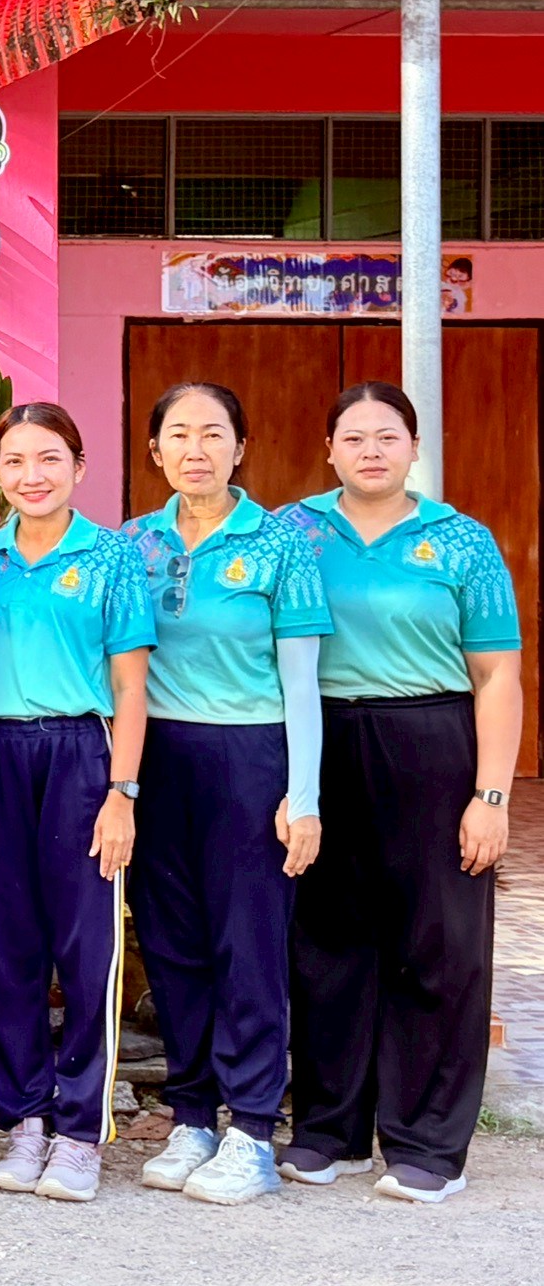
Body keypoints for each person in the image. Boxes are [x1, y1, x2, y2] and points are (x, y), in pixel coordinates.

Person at [279, 382, 520, 1205]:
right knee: (325, 942)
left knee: (438, 945)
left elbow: (497, 676)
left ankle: (427, 1143)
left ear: (415, 448)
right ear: (329, 451)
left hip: (432, 746)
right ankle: (330, 1129)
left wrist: (491, 796)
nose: (371, 451)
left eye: (388, 436)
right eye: (353, 438)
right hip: (322, 741)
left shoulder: (462, 542)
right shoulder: (293, 532)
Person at [122, 381, 328, 1206]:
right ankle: (192, 1117)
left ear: (241, 448)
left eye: (214, 434)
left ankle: (251, 1130)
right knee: (171, 943)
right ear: (155, 451)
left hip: (250, 757)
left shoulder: (281, 545)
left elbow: (303, 682)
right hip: (157, 759)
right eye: (179, 434)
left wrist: (302, 794)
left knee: (249, 945)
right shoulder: (132, 544)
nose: (196, 449)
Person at [0, 402, 153, 1204]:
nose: (32, 475)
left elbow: (131, 686)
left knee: (86, 951)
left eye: (49, 458)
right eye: (15, 461)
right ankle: (24, 1123)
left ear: (79, 467)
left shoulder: (112, 557)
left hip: (82, 754)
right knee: (7, 947)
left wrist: (122, 792)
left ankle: (79, 1132)